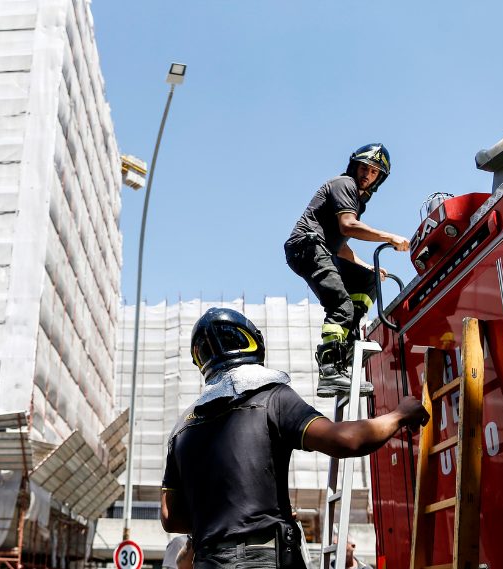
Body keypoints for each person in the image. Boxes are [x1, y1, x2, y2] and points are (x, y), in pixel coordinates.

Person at [160, 308, 428, 569]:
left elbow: (170, 518)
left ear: (201, 360)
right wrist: (400, 415)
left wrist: (221, 522)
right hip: (266, 558)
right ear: (251, 342)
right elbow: (345, 440)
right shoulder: (272, 398)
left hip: (207, 559)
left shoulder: (182, 428)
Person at [284, 144, 411, 397]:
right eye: (364, 168)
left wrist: (367, 266)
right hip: (307, 247)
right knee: (341, 305)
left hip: (322, 248)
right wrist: (390, 237)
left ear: (379, 178)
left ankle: (348, 342)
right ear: (355, 166)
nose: (367, 175)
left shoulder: (356, 200)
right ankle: (330, 370)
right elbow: (348, 226)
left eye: (374, 172)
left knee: (368, 278)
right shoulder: (345, 185)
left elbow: (340, 246)